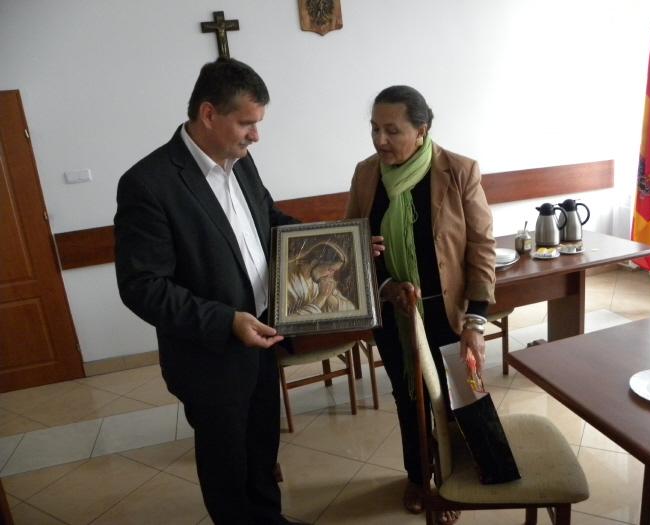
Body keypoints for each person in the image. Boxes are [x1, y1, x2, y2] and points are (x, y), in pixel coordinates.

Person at [114, 58, 306, 525]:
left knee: (262, 448)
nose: (255, 136)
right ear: (208, 114)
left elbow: (268, 220)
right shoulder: (149, 183)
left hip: (263, 337)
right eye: (246, 123)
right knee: (228, 468)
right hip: (211, 355)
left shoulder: (242, 162)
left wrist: (334, 241)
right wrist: (227, 322)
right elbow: (143, 287)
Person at [346, 85, 496, 525]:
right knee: (408, 398)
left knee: (461, 394)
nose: (380, 140)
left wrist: (476, 321)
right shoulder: (366, 174)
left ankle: (457, 478)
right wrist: (380, 276)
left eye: (392, 130)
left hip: (447, 312)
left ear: (421, 130)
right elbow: (351, 244)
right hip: (394, 312)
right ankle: (418, 477)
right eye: (374, 129)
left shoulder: (459, 170)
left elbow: (481, 247)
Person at [286, 240, 356, 315]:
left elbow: (349, 308)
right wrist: (322, 297)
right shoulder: (288, 281)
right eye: (330, 270)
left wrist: (328, 296)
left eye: (334, 272)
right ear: (314, 262)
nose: (331, 276)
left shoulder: (316, 280)